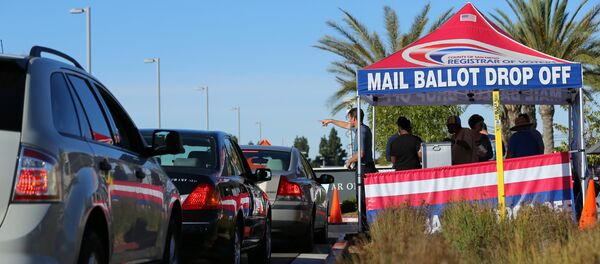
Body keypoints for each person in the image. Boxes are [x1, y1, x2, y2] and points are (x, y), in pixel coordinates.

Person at [320, 108, 377, 173]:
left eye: (349, 118)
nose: (349, 120)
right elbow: (346, 125)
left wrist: (350, 161)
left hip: (365, 168)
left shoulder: (361, 131)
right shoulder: (361, 128)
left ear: (354, 119)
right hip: (365, 167)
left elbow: (361, 153)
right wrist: (330, 121)